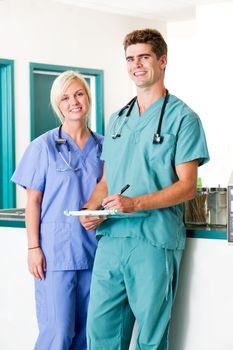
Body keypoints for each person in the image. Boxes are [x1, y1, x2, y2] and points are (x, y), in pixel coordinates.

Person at [80, 28, 210, 350]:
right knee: (100, 334)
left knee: (151, 339)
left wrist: (135, 205)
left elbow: (188, 187)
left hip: (154, 239)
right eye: (130, 59)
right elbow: (107, 182)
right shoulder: (118, 119)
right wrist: (89, 210)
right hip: (111, 240)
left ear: (162, 61)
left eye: (144, 57)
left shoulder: (184, 119)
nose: (136, 64)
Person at [11, 70, 104, 350]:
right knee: (59, 332)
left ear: (87, 98)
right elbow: (33, 203)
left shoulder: (104, 147)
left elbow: (110, 193)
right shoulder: (43, 147)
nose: (73, 101)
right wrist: (32, 248)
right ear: (57, 105)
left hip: (95, 251)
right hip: (56, 253)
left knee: (88, 333)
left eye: (78, 94)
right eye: (65, 98)